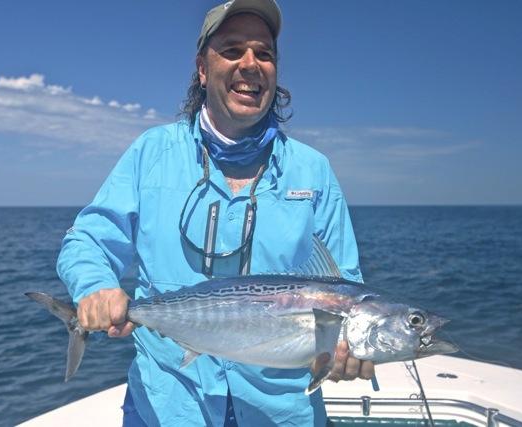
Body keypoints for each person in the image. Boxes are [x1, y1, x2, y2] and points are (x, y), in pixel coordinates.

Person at [57, 0, 374, 425]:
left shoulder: (313, 170)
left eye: (264, 53)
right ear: (202, 69)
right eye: (232, 50)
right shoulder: (152, 153)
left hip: (281, 412)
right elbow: (87, 240)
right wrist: (95, 287)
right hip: (168, 406)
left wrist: (343, 351)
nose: (250, 64)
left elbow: (344, 288)